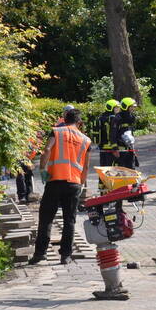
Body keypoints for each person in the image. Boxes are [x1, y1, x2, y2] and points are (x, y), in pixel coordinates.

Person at [30, 108, 91, 265]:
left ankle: (40, 254)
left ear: (65, 119)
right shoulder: (85, 140)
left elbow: (47, 150)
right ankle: (66, 256)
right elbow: (86, 166)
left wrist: (43, 169)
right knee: (69, 220)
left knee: (46, 218)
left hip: (54, 181)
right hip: (74, 184)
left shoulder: (56, 132)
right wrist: (82, 184)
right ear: (79, 122)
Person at [115, 97, 139, 169]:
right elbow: (113, 133)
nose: (133, 109)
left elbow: (131, 132)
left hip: (130, 147)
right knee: (121, 169)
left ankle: (132, 180)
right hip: (121, 148)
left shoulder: (132, 117)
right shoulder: (118, 117)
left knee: (131, 167)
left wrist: (132, 147)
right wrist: (114, 147)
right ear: (126, 106)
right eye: (131, 107)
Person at [96, 99, 121, 167]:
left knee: (103, 166)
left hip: (102, 147)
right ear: (111, 108)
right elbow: (113, 134)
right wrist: (115, 148)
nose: (118, 109)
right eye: (116, 108)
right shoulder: (113, 118)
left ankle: (102, 178)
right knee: (111, 168)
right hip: (111, 147)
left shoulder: (101, 117)